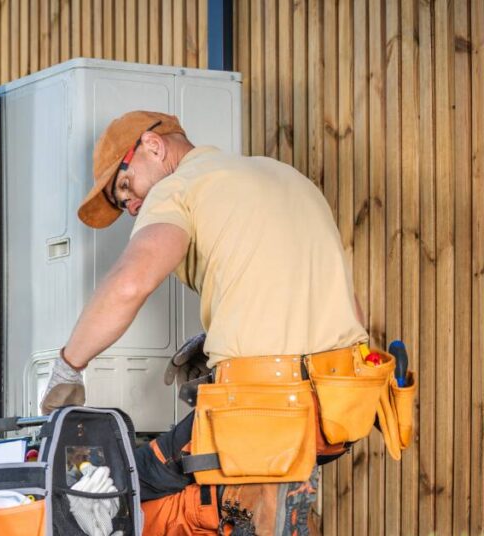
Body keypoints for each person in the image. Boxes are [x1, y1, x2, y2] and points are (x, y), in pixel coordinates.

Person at [39, 110, 370, 535]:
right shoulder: (282, 175)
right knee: (216, 487)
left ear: (152, 146)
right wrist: (223, 340)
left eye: (127, 186)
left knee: (115, 485)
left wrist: (69, 365)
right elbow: (346, 307)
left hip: (262, 411)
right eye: (124, 205)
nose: (133, 205)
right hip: (338, 413)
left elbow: (130, 284)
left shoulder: (179, 187)